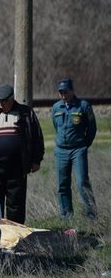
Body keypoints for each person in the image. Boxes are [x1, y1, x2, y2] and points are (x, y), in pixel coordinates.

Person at [0, 84, 44, 224]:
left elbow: (37, 137)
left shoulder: (25, 113)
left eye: (2, 102)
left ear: (11, 99)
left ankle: (16, 237)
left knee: (16, 205)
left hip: (17, 168)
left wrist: (36, 160)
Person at [52, 78, 97, 219]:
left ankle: (91, 215)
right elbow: (56, 126)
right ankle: (66, 215)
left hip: (78, 149)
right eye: (61, 92)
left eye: (65, 91)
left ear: (72, 90)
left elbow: (92, 129)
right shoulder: (56, 107)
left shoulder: (83, 106)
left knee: (82, 182)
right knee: (62, 185)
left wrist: (83, 144)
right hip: (61, 151)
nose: (63, 95)